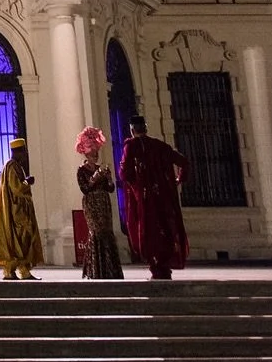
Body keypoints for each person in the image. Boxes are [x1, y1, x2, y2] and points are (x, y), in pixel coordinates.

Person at [118, 116, 188, 280]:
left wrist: (136, 187)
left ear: (132, 129)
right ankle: (164, 267)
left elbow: (124, 173)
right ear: (146, 128)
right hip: (164, 197)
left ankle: (156, 267)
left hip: (146, 199)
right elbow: (184, 162)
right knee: (165, 229)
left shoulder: (132, 145)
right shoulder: (160, 146)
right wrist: (179, 179)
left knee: (149, 231)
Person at [75, 125, 124, 279]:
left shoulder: (101, 168)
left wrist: (108, 178)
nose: (95, 155)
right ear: (86, 152)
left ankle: (110, 269)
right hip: (91, 204)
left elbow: (110, 188)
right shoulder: (81, 170)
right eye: (92, 152)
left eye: (96, 152)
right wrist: (95, 177)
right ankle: (95, 269)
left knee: (107, 232)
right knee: (96, 233)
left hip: (104, 203)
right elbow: (85, 188)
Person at [0, 137, 44, 280]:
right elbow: (16, 188)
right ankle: (10, 270)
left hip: (19, 210)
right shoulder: (12, 166)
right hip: (16, 212)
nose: (25, 155)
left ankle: (23, 270)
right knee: (19, 240)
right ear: (18, 152)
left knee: (23, 240)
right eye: (24, 152)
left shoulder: (14, 166)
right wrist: (27, 182)